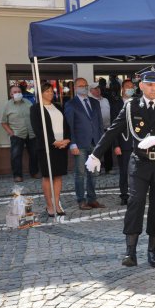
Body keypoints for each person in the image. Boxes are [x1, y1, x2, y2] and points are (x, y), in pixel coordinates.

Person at [85, 68, 155, 268]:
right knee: (136, 203)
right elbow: (113, 129)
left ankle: (153, 250)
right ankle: (130, 251)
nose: (154, 89)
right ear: (141, 86)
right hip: (139, 163)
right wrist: (95, 154)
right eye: (149, 85)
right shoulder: (131, 106)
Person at [30, 83, 71, 217]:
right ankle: (49, 206)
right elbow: (38, 130)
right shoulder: (35, 109)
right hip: (47, 147)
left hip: (62, 146)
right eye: (47, 91)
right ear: (40, 93)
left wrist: (66, 139)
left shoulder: (58, 106)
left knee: (58, 176)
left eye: (51, 91)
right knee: (48, 176)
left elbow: (66, 124)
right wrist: (53, 142)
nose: (50, 93)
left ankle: (57, 204)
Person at [64, 77, 105, 210]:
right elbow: (69, 125)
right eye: (81, 85)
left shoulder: (95, 102)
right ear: (75, 88)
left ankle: (92, 199)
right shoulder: (71, 104)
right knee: (80, 173)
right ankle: (81, 200)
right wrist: (72, 144)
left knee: (93, 173)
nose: (84, 87)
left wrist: (101, 142)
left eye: (85, 85)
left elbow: (99, 124)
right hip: (79, 144)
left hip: (95, 143)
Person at [1, 85, 39, 182]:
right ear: (11, 94)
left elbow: (34, 116)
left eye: (19, 91)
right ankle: (17, 175)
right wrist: (11, 132)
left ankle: (34, 172)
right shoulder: (7, 105)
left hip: (31, 133)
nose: (17, 93)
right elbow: (3, 122)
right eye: (15, 92)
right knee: (16, 155)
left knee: (34, 154)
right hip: (17, 134)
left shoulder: (28, 102)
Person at [112, 79, 135, 205]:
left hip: (137, 143)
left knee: (137, 171)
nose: (130, 89)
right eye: (128, 87)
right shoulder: (116, 105)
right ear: (122, 88)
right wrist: (116, 145)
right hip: (123, 143)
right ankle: (124, 195)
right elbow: (113, 127)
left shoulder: (138, 102)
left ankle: (136, 193)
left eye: (132, 86)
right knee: (124, 171)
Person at [89, 82, 114, 174]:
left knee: (107, 149)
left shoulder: (106, 100)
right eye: (95, 89)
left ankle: (109, 168)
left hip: (107, 128)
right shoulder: (90, 101)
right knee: (97, 149)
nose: (97, 90)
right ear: (90, 91)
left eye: (98, 88)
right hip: (96, 129)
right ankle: (97, 169)